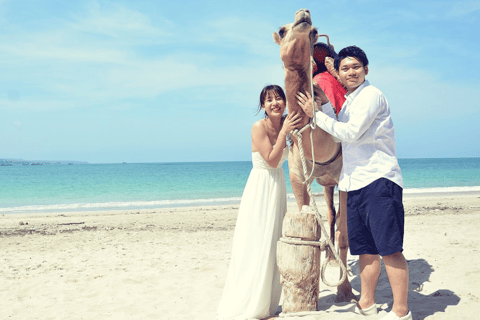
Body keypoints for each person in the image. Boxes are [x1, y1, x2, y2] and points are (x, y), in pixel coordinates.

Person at [297, 46, 412, 320]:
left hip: (379, 180)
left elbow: (348, 133)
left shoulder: (371, 96)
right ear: (337, 72)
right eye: (345, 68)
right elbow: (338, 127)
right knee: (366, 250)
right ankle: (366, 304)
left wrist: (317, 115)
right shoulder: (349, 101)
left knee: (390, 249)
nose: (350, 72)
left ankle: (400, 311)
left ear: (366, 70)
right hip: (354, 182)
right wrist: (323, 104)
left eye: (355, 67)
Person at [216, 85, 302, 320]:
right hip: (261, 188)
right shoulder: (259, 127)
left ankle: (267, 304)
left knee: (274, 244)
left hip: (278, 187)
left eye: (279, 98)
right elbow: (273, 161)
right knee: (257, 243)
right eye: (269, 100)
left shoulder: (287, 122)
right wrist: (285, 132)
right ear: (262, 106)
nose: (275, 103)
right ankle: (252, 303)